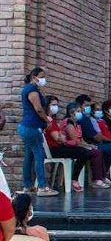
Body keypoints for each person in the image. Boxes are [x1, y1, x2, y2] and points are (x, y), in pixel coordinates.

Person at [17, 67, 58, 197]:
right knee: (39, 156)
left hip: (27, 127)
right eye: (41, 76)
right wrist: (47, 120)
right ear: (34, 77)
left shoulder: (30, 89)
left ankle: (27, 186)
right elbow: (39, 109)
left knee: (29, 157)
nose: (43, 79)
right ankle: (42, 187)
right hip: (32, 127)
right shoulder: (32, 89)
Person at [44, 98, 92, 192]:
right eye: (53, 105)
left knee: (82, 151)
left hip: (57, 147)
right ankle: (74, 179)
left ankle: (74, 179)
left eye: (56, 105)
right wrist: (62, 138)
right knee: (83, 152)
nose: (56, 107)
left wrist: (62, 139)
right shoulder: (49, 121)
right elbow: (57, 138)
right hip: (53, 149)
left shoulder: (53, 120)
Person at [62, 103, 110, 189]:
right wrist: (87, 147)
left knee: (98, 150)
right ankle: (96, 180)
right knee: (94, 152)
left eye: (81, 111)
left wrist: (89, 145)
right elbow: (75, 141)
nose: (81, 113)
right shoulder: (68, 124)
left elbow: (81, 140)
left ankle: (102, 177)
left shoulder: (77, 124)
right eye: (78, 111)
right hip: (69, 147)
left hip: (78, 146)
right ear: (71, 113)